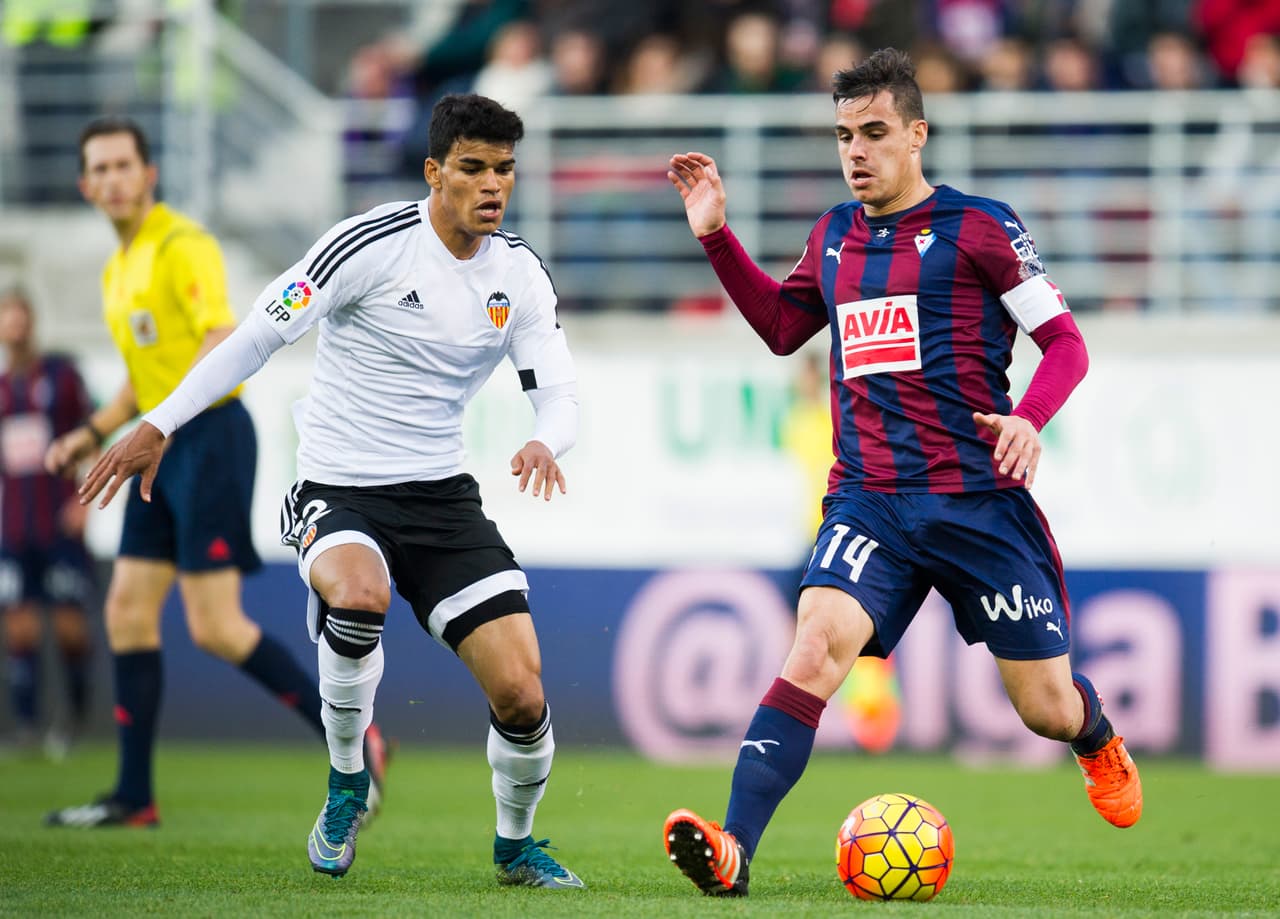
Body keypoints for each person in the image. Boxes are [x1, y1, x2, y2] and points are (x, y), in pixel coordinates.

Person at [661, 48, 1142, 897]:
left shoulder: (981, 227)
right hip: (869, 502)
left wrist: (1028, 418)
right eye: (845, 134)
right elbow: (781, 327)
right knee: (812, 647)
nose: (856, 151)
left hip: (978, 504)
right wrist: (716, 236)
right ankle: (733, 847)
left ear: (917, 135)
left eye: (875, 132)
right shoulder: (835, 235)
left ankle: (1095, 732)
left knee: (1045, 707)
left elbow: (1066, 343)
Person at [76, 94, 585, 888]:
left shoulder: (517, 274)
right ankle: (348, 778)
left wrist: (542, 439)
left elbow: (560, 394)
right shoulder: (370, 244)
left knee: (522, 692)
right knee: (358, 592)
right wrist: (161, 420)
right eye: (474, 168)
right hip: (339, 485)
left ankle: (515, 845)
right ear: (434, 172)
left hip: (441, 497)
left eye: (505, 170)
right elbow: (254, 335)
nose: (493, 185)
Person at [43, 116, 388, 828]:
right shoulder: (118, 267)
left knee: (217, 626)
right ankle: (134, 795)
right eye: (98, 170)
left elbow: (219, 336)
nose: (112, 180)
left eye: (122, 166)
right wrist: (88, 432)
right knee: (127, 609)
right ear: (85, 185)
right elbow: (144, 377)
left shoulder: (182, 244)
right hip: (155, 444)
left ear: (149, 174)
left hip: (206, 437)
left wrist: (164, 421)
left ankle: (352, 739)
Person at [0, 288, 95, 759]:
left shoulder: (61, 376)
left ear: (32, 322)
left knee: (69, 629)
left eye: (20, 317)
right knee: (19, 630)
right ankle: (27, 727)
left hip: (59, 524)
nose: (14, 327)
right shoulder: (1, 388)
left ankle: (74, 720)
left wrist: (83, 502)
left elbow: (94, 432)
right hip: (14, 528)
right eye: (7, 318)